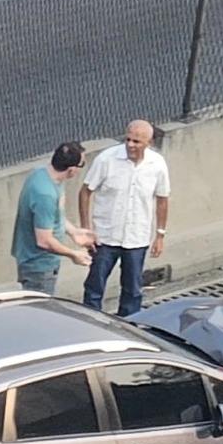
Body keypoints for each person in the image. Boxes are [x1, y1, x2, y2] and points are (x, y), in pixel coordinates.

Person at [78, 119, 171, 317]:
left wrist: (160, 235)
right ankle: (91, 323)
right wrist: (86, 229)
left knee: (133, 290)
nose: (130, 145)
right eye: (128, 139)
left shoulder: (157, 165)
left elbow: (162, 199)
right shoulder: (106, 159)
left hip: (137, 238)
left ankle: (129, 326)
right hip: (105, 236)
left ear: (149, 143)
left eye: (136, 141)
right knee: (95, 286)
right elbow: (85, 191)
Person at [11, 140, 96, 294]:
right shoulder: (45, 195)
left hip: (44, 263)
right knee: (41, 312)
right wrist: (74, 254)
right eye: (81, 165)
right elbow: (44, 241)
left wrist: (74, 232)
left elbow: (54, 215)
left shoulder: (43, 174)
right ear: (71, 170)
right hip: (39, 266)